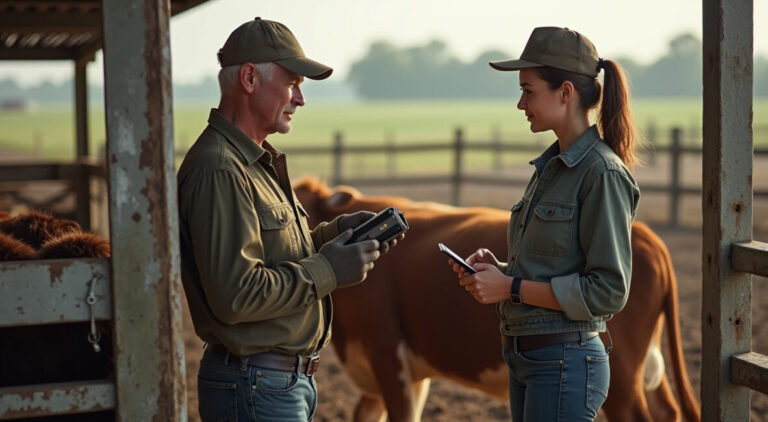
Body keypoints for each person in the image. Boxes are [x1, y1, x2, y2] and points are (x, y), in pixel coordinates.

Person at [177, 18, 401, 422]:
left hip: (273, 383)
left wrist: (336, 233)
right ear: (249, 78)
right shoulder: (221, 169)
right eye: (292, 83)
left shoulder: (251, 162)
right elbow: (237, 295)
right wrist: (330, 269)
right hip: (256, 384)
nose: (300, 98)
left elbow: (271, 257)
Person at [449, 27, 640, 421]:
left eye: (528, 90)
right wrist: (500, 272)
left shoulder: (602, 174)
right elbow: (555, 268)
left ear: (565, 92)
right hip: (531, 358)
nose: (521, 103)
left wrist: (510, 287)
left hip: (564, 361)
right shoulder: (551, 168)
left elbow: (608, 291)